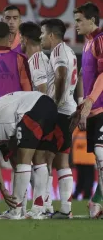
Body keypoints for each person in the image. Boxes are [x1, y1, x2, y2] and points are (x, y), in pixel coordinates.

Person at [0, 91, 59, 220]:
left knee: (24, 160)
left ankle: (15, 211)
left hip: (30, 109)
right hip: (48, 104)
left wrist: (3, 189)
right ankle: (38, 209)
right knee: (39, 160)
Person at [18, 21, 56, 218]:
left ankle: (36, 206)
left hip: (39, 113)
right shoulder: (42, 57)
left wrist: (36, 114)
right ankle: (43, 204)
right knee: (39, 160)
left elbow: (41, 88)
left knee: (35, 159)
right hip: (46, 113)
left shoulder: (36, 60)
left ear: (24, 39)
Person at [40, 18, 77, 219]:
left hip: (60, 112)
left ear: (52, 35)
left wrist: (55, 102)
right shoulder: (69, 51)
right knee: (60, 159)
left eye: (43, 34)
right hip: (68, 110)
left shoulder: (58, 52)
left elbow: (62, 74)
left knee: (47, 158)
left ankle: (49, 206)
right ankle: (63, 208)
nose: (42, 38)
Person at [71, 2, 103, 219]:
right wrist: (82, 103)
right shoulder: (87, 42)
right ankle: (97, 201)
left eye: (80, 20)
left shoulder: (100, 40)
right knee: (98, 158)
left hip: (100, 106)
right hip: (91, 109)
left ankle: (98, 201)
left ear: (92, 20)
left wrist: (91, 100)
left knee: (101, 155)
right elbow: (84, 74)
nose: (76, 25)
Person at [19, 22, 53, 94]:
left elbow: (43, 89)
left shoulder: (36, 61)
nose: (19, 42)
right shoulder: (37, 59)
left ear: (25, 40)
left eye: (20, 38)